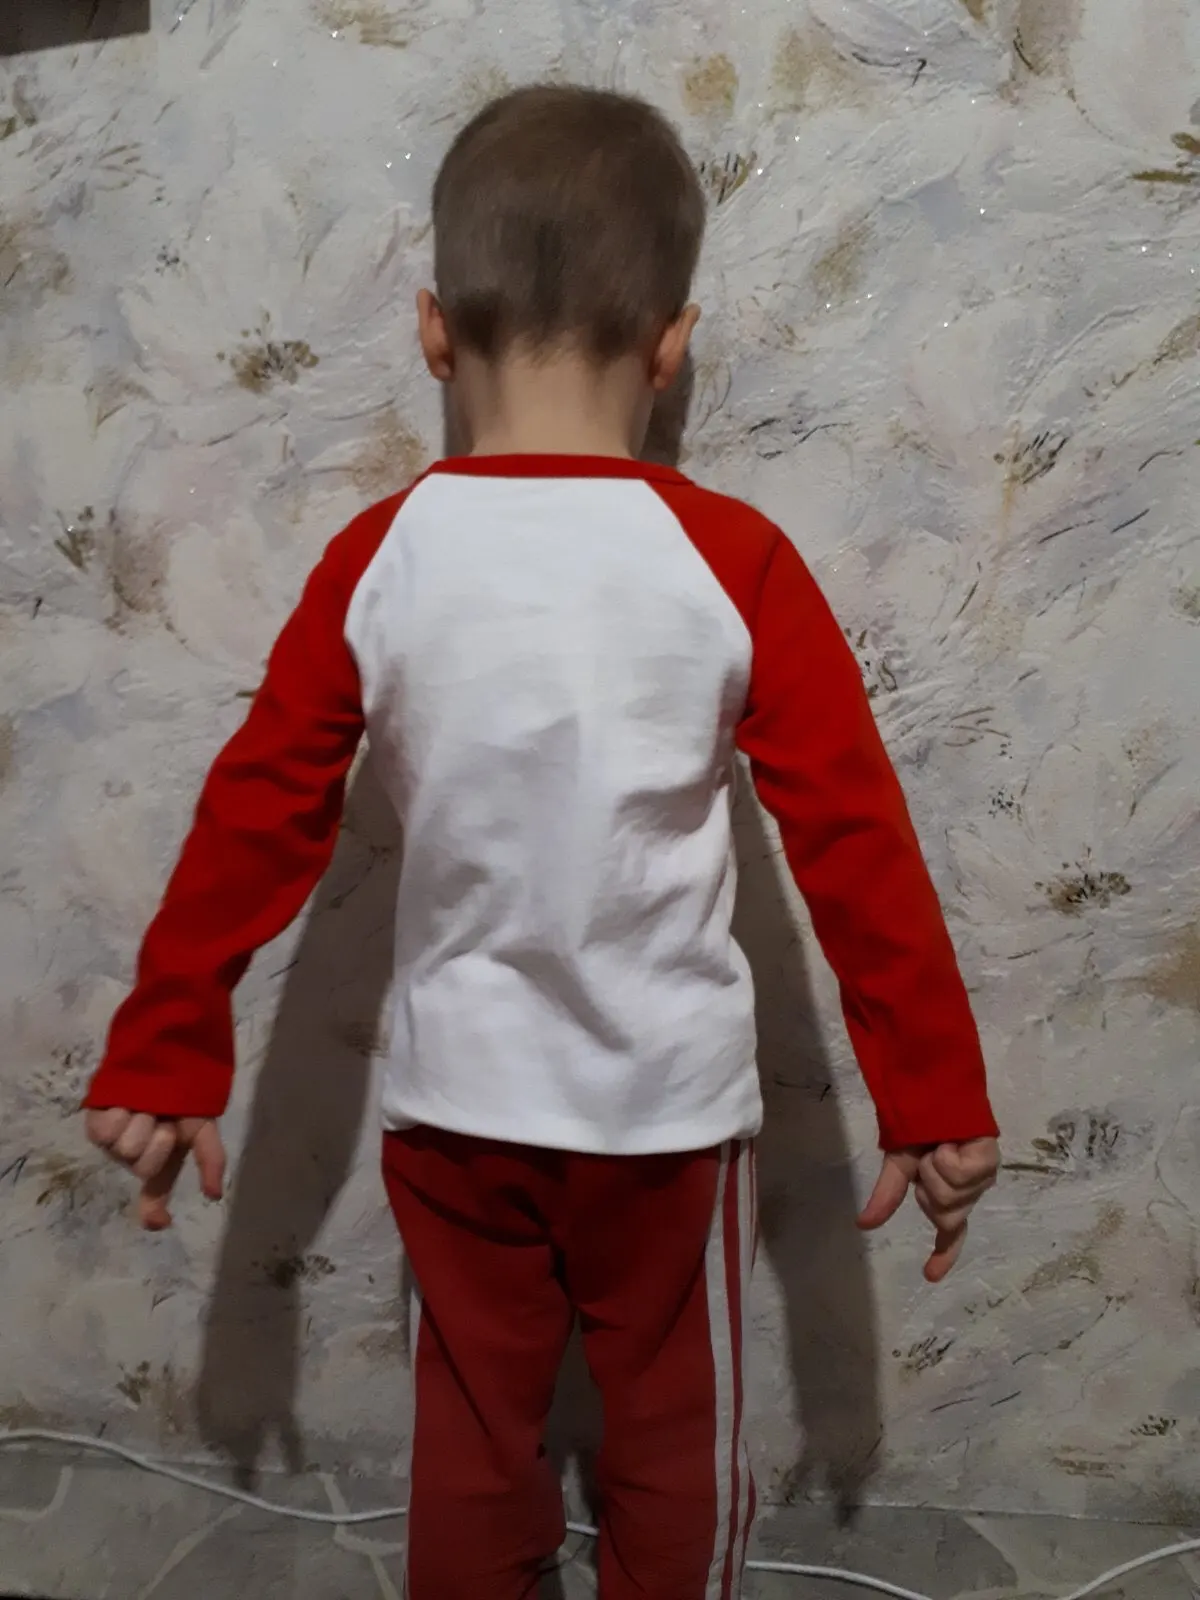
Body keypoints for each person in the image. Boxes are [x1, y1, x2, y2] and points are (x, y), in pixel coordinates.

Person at [83, 85, 1000, 1600]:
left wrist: (166, 1042)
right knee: (672, 1435)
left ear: (433, 334)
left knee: (473, 1437)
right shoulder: (736, 561)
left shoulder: (379, 556)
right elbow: (858, 844)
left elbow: (258, 807)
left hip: (455, 1111)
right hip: (664, 1125)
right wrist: (935, 1098)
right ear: (672, 345)